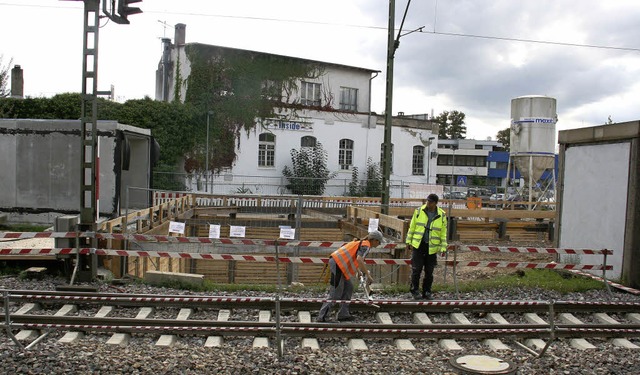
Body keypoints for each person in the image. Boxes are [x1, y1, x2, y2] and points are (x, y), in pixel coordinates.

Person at [317, 230, 383, 322]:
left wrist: (358, 270)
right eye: (379, 242)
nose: (379, 244)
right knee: (336, 293)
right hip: (338, 264)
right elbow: (359, 259)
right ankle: (323, 316)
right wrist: (368, 275)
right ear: (374, 240)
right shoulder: (366, 245)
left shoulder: (362, 243)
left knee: (349, 288)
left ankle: (343, 314)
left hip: (340, 265)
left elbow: (352, 257)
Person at [405, 193, 448, 300]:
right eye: (427, 201)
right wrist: (408, 241)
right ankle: (414, 290)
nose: (428, 203)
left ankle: (427, 291)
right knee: (417, 269)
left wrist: (443, 247)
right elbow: (412, 227)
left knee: (429, 271)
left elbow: (443, 233)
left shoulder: (441, 215)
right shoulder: (419, 211)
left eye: (430, 202)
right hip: (419, 245)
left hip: (432, 247)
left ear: (435, 203)